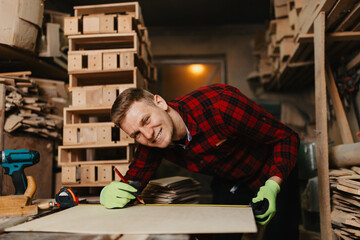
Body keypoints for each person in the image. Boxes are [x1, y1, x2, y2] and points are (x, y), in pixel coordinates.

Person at [100, 84, 300, 239]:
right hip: (230, 182)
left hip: (273, 171)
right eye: (136, 134)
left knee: (281, 235)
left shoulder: (222, 104)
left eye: (146, 120)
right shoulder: (151, 141)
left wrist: (273, 186)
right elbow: (132, 183)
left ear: (160, 103)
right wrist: (110, 193)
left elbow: (287, 138)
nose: (149, 134)